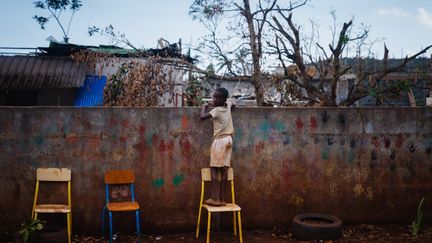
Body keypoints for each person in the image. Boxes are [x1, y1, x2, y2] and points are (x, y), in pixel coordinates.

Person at [200, 87, 235, 206]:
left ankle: (215, 199)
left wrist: (204, 106)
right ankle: (222, 198)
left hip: (219, 140)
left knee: (214, 168)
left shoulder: (216, 110)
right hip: (229, 139)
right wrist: (223, 102)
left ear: (221, 99)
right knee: (224, 169)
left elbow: (202, 117)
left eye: (215, 97)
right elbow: (233, 103)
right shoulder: (228, 106)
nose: (213, 99)